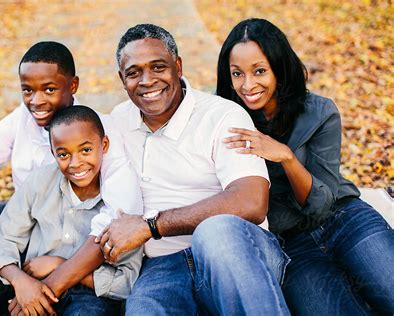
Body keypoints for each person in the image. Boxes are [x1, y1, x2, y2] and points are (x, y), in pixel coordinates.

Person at [95, 24, 291, 315]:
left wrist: (151, 225)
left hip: (238, 253)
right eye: (134, 72)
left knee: (216, 231)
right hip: (163, 265)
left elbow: (252, 202)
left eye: (158, 67)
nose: (147, 81)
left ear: (178, 66)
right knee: (143, 309)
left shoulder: (222, 115)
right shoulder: (117, 122)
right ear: (122, 79)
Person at [216, 18, 394, 315]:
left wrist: (285, 156)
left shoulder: (319, 112)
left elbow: (321, 205)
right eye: (237, 73)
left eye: (259, 71)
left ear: (279, 68)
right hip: (292, 247)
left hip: (344, 218)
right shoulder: (226, 120)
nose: (247, 85)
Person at [0, 42, 142, 266]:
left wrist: (60, 272)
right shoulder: (23, 119)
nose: (36, 101)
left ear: (73, 85)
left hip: (62, 248)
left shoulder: (99, 132)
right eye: (28, 90)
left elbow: (116, 215)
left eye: (49, 89)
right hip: (13, 225)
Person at [0, 106, 143, 315]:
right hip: (25, 274)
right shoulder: (41, 181)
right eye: (64, 154)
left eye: (86, 150)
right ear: (53, 153)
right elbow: (2, 239)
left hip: (88, 296)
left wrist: (59, 265)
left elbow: (126, 282)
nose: (75, 163)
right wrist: (21, 282)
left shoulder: (121, 198)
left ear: (104, 145)